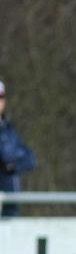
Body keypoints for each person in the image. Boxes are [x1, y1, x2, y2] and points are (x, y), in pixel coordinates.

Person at [0, 80, 37, 218]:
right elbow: (6, 155)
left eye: (1, 98)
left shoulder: (8, 129)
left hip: (11, 201)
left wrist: (12, 166)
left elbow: (31, 159)